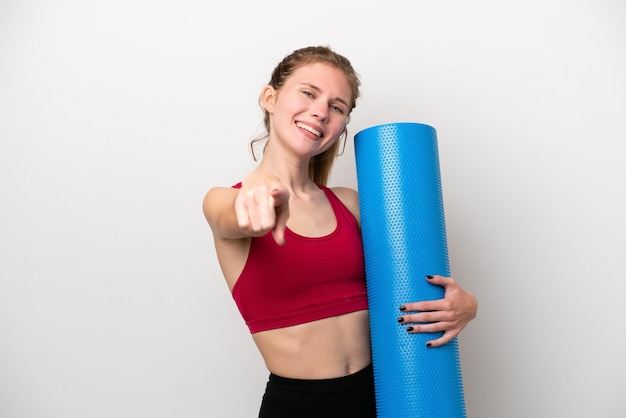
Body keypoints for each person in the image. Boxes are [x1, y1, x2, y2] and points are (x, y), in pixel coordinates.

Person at [202, 45, 477, 418]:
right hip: (300, 407)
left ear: (342, 125)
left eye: (337, 106)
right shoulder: (227, 200)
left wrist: (465, 306)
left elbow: (417, 286)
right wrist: (252, 199)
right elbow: (227, 216)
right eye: (308, 92)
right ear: (270, 97)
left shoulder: (352, 204)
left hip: (386, 394)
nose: (320, 110)